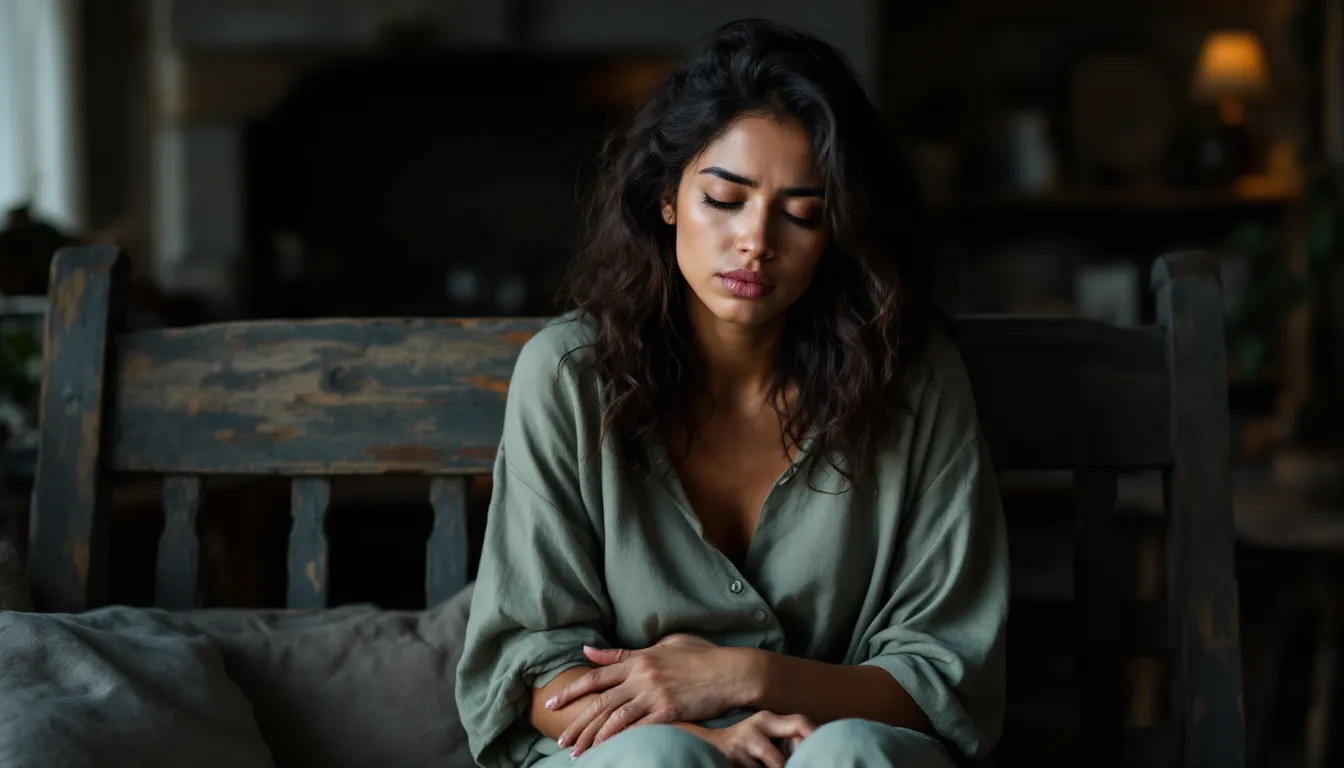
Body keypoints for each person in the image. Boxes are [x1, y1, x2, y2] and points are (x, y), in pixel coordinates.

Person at [455, 18, 1008, 768]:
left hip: (836, 746)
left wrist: (746, 677)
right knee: (658, 765)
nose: (756, 240)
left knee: (848, 756)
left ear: (836, 230)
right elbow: (532, 665)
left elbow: (947, 671)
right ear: (668, 199)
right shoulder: (568, 376)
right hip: (636, 752)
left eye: (801, 213)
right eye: (725, 198)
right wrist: (704, 737)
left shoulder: (912, 377)